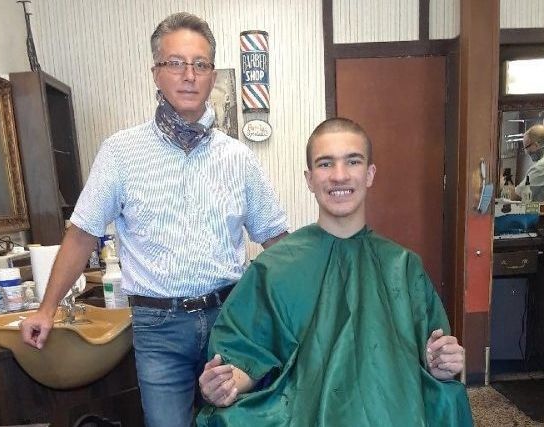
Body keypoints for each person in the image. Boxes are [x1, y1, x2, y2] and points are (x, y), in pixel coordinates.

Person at [18, 12, 290, 427]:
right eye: (175, 63)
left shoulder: (238, 158)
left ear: (211, 75)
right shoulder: (121, 152)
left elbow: (276, 240)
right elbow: (82, 234)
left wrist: (311, 298)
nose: (188, 75)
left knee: (238, 422)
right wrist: (46, 309)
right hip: (158, 329)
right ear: (156, 73)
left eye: (200, 64)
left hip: (229, 316)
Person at [194, 118, 473, 426]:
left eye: (352, 161)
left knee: (449, 401)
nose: (339, 176)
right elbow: (247, 353)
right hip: (302, 411)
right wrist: (225, 382)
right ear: (309, 178)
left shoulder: (403, 267)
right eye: (326, 164)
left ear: (369, 174)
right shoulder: (274, 268)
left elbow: (433, 359)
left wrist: (443, 365)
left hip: (391, 411)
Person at [512, 123, 544, 202]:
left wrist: (504, 185)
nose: (526, 152)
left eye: (526, 147)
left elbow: (517, 196)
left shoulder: (543, 165)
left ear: (536, 145)